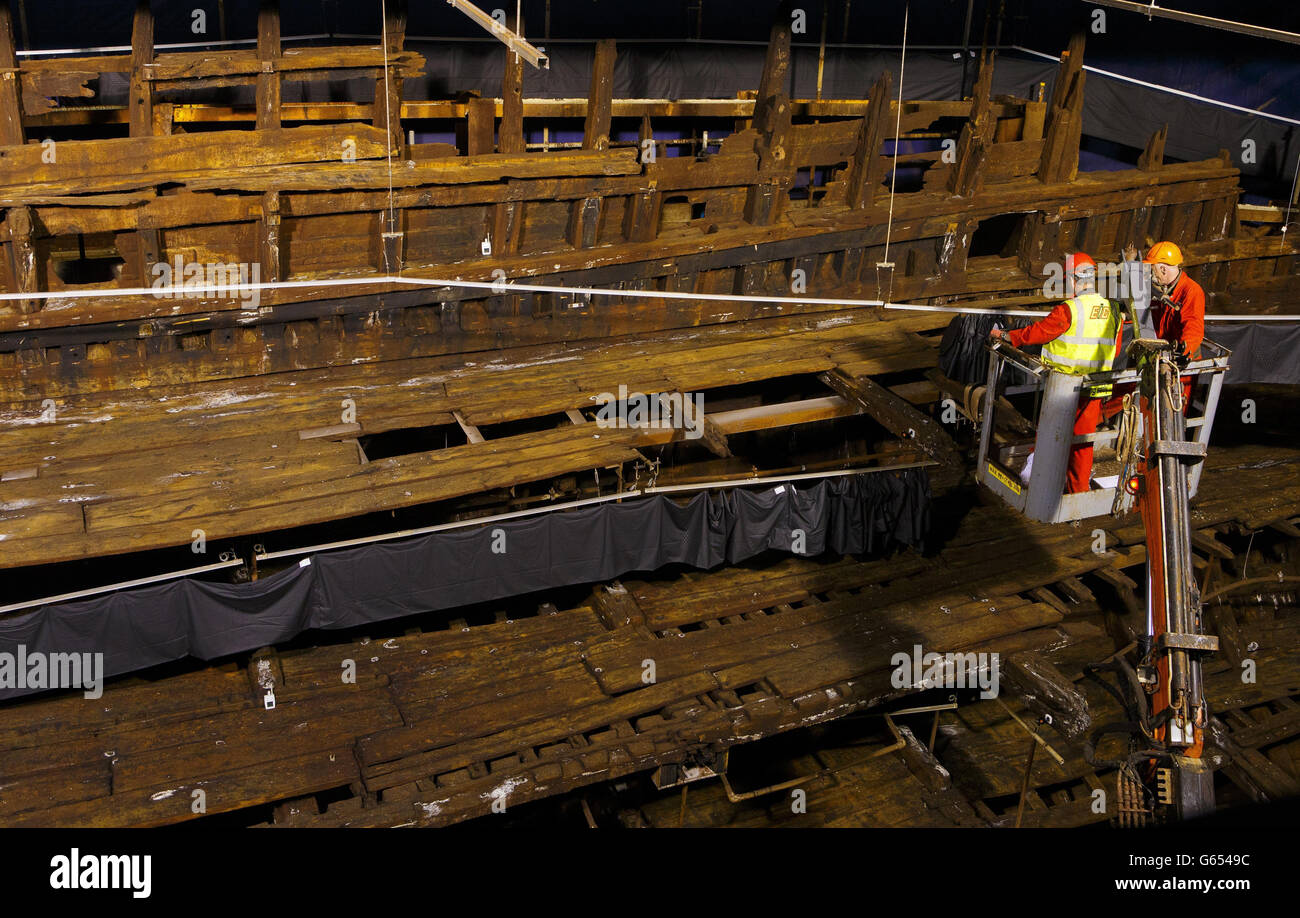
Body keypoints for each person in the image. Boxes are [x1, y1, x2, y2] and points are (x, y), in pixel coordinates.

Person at [990, 252, 1120, 494]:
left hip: (1064, 388)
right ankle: (1078, 492)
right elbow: (1115, 346)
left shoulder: (1069, 309)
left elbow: (1040, 332)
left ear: (1072, 279)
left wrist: (1009, 336)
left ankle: (1040, 483)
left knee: (1052, 434)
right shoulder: (1112, 310)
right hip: (1095, 388)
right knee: (1082, 444)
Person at [1144, 240, 1205, 406]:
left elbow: (1193, 327)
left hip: (1182, 366)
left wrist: (1184, 352)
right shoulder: (1164, 291)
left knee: (1176, 410)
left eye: (1153, 268)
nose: (1151, 273)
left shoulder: (1191, 291)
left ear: (1163, 269)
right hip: (1164, 360)